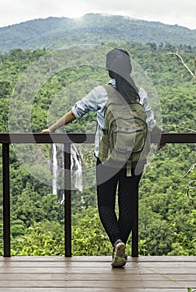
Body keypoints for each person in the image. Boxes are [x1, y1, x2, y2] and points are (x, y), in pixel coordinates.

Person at [42, 48, 161, 268]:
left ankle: (116, 243)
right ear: (129, 68)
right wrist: (160, 139)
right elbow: (152, 127)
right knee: (128, 205)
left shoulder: (101, 92)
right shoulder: (140, 93)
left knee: (105, 205)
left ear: (109, 70)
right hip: (135, 159)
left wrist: (51, 128)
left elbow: (75, 112)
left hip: (108, 159)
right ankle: (121, 247)